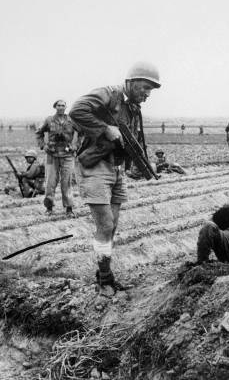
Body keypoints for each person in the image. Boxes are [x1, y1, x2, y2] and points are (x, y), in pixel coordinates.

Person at [69, 61, 161, 289]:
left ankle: (104, 273)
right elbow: (77, 110)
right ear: (130, 82)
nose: (148, 94)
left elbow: (133, 139)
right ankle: (105, 280)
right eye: (144, 88)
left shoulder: (133, 109)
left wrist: (141, 164)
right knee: (106, 224)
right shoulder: (109, 94)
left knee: (114, 224)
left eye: (151, 90)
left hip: (116, 168)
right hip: (95, 166)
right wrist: (105, 129)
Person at [36, 100, 77, 217]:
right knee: (50, 182)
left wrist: (75, 146)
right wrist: (43, 146)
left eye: (63, 105)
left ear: (66, 107)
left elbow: (82, 133)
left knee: (67, 182)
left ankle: (69, 209)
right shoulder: (49, 120)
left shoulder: (71, 120)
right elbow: (38, 132)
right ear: (55, 107)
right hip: (52, 155)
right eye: (58, 105)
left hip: (67, 155)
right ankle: (49, 208)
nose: (60, 107)